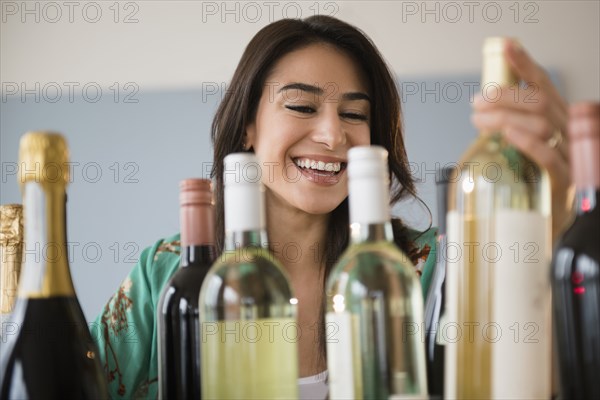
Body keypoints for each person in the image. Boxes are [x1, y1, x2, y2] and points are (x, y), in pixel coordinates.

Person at [92, 15, 571, 399]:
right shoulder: (167, 273)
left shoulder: (429, 267)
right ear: (247, 128)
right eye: (302, 107)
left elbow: (522, 373)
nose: (332, 135)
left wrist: (555, 219)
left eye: (355, 114)